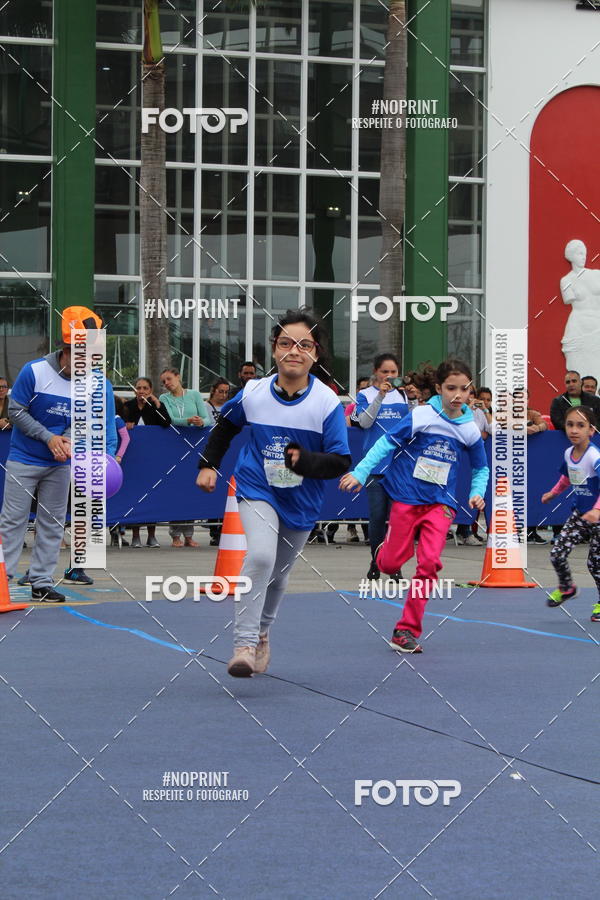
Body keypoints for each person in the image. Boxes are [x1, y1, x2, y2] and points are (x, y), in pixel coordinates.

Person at [196, 308, 351, 677]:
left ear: (316, 353)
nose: (294, 351)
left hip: (302, 499)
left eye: (304, 345)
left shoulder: (326, 402)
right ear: (274, 349)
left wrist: (305, 462)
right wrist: (208, 464)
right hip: (257, 486)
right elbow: (224, 428)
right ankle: (244, 645)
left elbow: (340, 461)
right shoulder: (254, 392)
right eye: (285, 343)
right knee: (261, 557)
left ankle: (262, 633)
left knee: (279, 575)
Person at [340, 358, 489, 653]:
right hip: (407, 497)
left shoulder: (469, 429)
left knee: (430, 563)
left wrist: (477, 492)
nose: (458, 395)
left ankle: (406, 630)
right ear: (439, 388)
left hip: (440, 503)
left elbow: (480, 468)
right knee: (390, 564)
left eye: (464, 389)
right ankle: (386, 553)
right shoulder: (421, 415)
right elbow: (385, 443)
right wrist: (361, 472)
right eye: (451, 388)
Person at [0, 306, 117, 601]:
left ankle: (41, 580)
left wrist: (68, 442)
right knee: (13, 521)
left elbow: (88, 422)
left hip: (62, 463)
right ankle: (3, 578)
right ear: (66, 350)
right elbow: (15, 411)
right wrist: (48, 437)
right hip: (24, 458)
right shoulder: (34, 371)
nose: (87, 365)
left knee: (52, 522)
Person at [352, 353, 410, 579]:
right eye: (385, 372)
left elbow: (412, 425)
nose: (389, 376)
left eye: (393, 372)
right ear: (376, 372)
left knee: (398, 519)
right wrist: (380, 396)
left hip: (399, 466)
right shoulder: (365, 394)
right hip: (375, 467)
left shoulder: (403, 396)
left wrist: (414, 401)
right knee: (377, 517)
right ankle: (376, 560)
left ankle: (394, 565)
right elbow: (365, 422)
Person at [541, 406, 600, 622]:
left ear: (591, 431)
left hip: (598, 516)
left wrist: (597, 510)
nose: (574, 430)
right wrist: (553, 493)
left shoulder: (594, 456)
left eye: (580, 425)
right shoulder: (568, 453)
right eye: (570, 425)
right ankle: (567, 587)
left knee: (595, 564)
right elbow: (568, 477)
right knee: (557, 553)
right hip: (580, 515)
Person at [159, 367, 211, 548]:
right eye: (163, 381)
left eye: (169, 379)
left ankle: (189, 534)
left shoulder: (194, 395)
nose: (166, 383)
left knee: (191, 490)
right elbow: (171, 419)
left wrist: (200, 422)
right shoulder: (164, 398)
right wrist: (188, 421)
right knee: (176, 490)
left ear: (178, 377)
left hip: (194, 446)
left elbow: (207, 418)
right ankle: (175, 535)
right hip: (174, 446)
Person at [123, 377, 171, 547]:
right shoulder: (128, 406)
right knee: (135, 496)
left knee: (151, 496)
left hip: (152, 458)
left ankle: (152, 536)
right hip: (133, 457)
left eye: (145, 388)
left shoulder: (155, 406)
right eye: (139, 388)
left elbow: (166, 423)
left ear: (150, 390)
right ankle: (135, 536)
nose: (141, 391)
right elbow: (118, 423)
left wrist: (157, 404)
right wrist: (125, 424)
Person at [559, 240, 600, 386]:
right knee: (578, 366)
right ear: (571, 256)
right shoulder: (566, 280)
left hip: (597, 322)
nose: (583, 257)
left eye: (584, 253)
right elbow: (568, 299)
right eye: (579, 253)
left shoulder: (597, 275)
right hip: (578, 325)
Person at [109, 396, 131, 547]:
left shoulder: (116, 419)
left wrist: (119, 456)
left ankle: (117, 532)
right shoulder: (93, 416)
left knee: (114, 499)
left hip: (109, 463)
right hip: (94, 461)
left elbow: (126, 438)